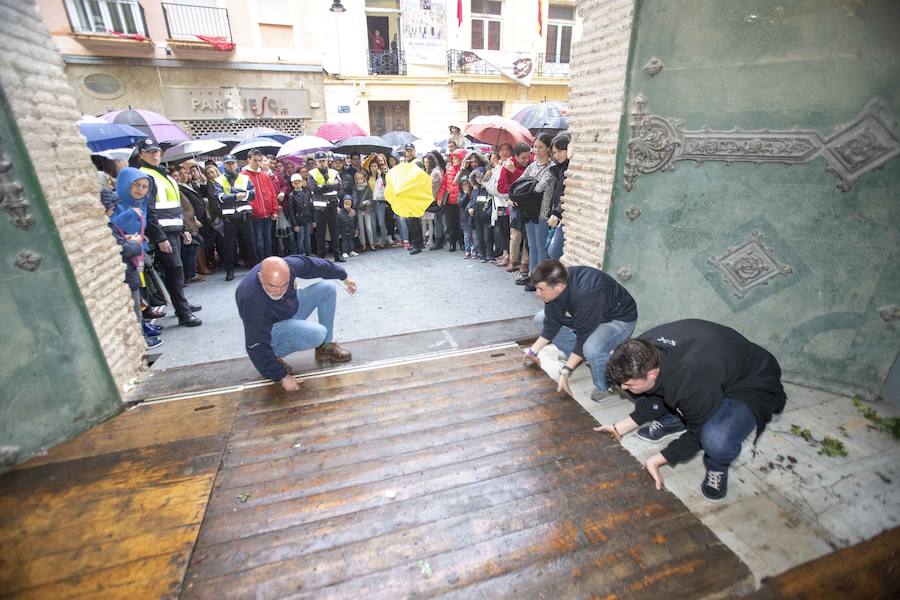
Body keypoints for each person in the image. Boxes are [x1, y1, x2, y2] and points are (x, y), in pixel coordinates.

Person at [597, 320, 787, 501]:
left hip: (752, 381)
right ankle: (675, 420)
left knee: (715, 439)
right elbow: (657, 390)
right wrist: (619, 428)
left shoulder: (690, 380)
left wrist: (658, 459)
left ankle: (717, 466)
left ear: (652, 373)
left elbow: (697, 432)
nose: (623, 387)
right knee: (643, 391)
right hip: (716, 366)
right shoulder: (642, 350)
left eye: (628, 383)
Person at [235, 255, 357, 392]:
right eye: (272, 286)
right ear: (261, 277)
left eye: (284, 285)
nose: (279, 291)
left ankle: (325, 347)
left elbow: (314, 265)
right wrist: (281, 376)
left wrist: (343, 276)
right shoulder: (251, 299)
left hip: (287, 307)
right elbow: (255, 345)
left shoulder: (289, 266)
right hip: (270, 328)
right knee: (317, 334)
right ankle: (274, 355)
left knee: (327, 288)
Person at [524, 259, 637, 403]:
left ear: (558, 287)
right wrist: (532, 352)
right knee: (540, 318)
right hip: (592, 314)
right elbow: (551, 324)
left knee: (592, 349)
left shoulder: (589, 292)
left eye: (541, 289)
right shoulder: (558, 283)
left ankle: (604, 385)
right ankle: (575, 355)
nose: (537, 293)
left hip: (618, 319)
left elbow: (583, 337)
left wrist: (565, 372)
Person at [135, 138, 202, 327]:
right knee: (175, 270)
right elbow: (148, 210)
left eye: (157, 151)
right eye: (150, 152)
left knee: (177, 271)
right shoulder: (145, 176)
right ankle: (183, 313)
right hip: (163, 233)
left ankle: (182, 305)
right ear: (141, 154)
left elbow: (175, 206)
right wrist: (160, 237)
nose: (155, 155)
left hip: (174, 229)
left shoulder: (162, 174)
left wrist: (183, 229)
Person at [517, 132, 557, 292]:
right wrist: (527, 186)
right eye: (535, 147)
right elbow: (520, 182)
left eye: (540, 147)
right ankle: (533, 276)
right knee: (531, 246)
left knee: (541, 247)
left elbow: (539, 187)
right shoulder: (532, 166)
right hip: (529, 209)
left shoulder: (552, 168)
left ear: (548, 148)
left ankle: (540, 279)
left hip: (542, 211)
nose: (536, 150)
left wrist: (527, 186)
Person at [213, 155, 257, 281]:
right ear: (224, 165)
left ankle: (254, 269)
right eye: (228, 164)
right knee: (229, 246)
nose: (231, 166)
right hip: (229, 218)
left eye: (233, 163)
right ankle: (229, 271)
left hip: (244, 217)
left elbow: (253, 194)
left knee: (250, 244)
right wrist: (238, 195)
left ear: (237, 164)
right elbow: (220, 197)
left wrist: (233, 192)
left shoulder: (244, 178)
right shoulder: (219, 180)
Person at [498, 143, 531, 281]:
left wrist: (515, 174)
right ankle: (512, 260)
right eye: (523, 158)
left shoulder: (531, 164)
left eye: (527, 157)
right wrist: (513, 193)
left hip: (529, 204)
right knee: (515, 234)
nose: (526, 160)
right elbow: (501, 187)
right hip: (515, 204)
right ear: (515, 156)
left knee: (528, 235)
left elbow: (528, 182)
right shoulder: (507, 167)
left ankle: (524, 262)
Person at [242, 149, 279, 261]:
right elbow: (243, 195)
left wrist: (275, 210)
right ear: (248, 160)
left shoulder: (264, 175)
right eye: (254, 160)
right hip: (255, 214)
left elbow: (272, 193)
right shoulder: (243, 175)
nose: (257, 163)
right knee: (258, 240)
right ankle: (261, 262)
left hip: (268, 213)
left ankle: (269, 261)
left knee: (268, 239)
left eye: (259, 160)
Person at [308, 151, 344, 262]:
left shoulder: (334, 172)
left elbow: (339, 186)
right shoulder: (312, 173)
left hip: (332, 204)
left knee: (335, 230)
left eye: (323, 161)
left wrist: (323, 186)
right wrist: (330, 186)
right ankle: (321, 255)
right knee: (320, 232)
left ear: (327, 161)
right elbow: (314, 189)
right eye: (320, 161)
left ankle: (337, 255)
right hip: (319, 207)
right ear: (316, 162)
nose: (322, 163)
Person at [437, 148, 467, 251]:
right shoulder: (449, 170)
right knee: (450, 224)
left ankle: (462, 242)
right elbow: (444, 186)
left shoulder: (463, 171)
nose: (454, 160)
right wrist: (440, 197)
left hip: (461, 202)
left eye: (456, 158)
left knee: (461, 223)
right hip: (450, 202)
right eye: (453, 158)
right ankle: (452, 243)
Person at [548, 133, 570, 260]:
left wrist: (556, 213)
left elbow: (566, 193)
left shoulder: (568, 169)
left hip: (564, 216)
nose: (557, 155)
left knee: (554, 251)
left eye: (561, 150)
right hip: (560, 215)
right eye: (555, 152)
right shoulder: (560, 168)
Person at [284, 172, 314, 255]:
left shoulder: (307, 193)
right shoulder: (291, 195)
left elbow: (311, 206)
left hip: (307, 218)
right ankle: (302, 253)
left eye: (299, 182)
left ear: (302, 182)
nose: (297, 185)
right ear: (292, 184)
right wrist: (295, 224)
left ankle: (308, 252)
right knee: (300, 238)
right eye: (295, 183)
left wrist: (313, 220)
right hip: (298, 220)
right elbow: (291, 211)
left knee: (308, 237)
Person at [352, 170, 376, 251]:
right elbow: (354, 199)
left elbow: (371, 198)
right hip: (359, 210)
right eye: (358, 179)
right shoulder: (355, 189)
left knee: (369, 228)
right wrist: (356, 206)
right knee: (361, 228)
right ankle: (363, 244)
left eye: (361, 178)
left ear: (364, 178)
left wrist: (368, 202)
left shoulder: (367, 187)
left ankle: (372, 243)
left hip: (367, 210)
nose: (360, 180)